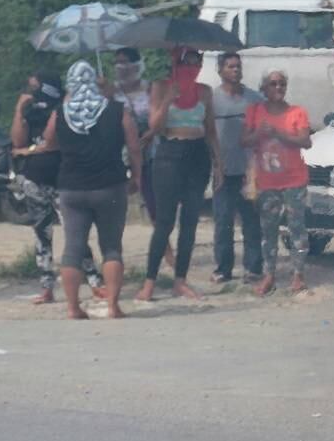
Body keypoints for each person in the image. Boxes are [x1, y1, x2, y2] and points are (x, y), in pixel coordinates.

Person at [40, 61, 141, 319]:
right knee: (111, 247)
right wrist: (136, 176)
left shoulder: (59, 113)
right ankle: (113, 306)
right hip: (110, 187)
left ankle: (73, 307)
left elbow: (48, 142)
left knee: (73, 247)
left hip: (71, 188)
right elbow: (134, 146)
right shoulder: (118, 111)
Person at [10, 71, 104, 304]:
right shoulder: (32, 111)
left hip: (63, 179)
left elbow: (51, 144)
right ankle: (47, 287)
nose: (30, 92)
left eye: (34, 87)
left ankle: (94, 281)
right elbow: (17, 142)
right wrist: (19, 111)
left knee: (75, 232)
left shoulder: (63, 108)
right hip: (34, 179)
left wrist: (28, 151)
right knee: (42, 235)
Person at [138, 47, 221, 302]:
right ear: (177, 62)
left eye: (197, 62)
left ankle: (181, 280)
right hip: (169, 153)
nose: (192, 67)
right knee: (164, 222)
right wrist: (167, 101)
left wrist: (220, 164)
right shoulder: (161, 87)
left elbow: (210, 130)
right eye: (188, 62)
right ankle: (149, 282)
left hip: (197, 154)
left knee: (190, 222)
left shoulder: (204, 91)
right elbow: (155, 127)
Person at [242, 70, 312, 295]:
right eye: (273, 84)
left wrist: (279, 134)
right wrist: (258, 135)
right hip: (267, 181)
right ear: (264, 88)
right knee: (268, 229)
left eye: (282, 84)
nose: (278, 88)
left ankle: (298, 274)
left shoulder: (297, 112)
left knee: (296, 228)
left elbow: (305, 141)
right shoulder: (255, 112)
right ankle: (269, 274)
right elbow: (243, 140)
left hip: (294, 179)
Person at [211, 52, 264, 284]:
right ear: (220, 70)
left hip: (249, 170)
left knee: (251, 222)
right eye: (231, 66)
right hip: (222, 170)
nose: (236, 70)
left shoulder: (254, 99)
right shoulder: (212, 100)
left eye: (238, 66)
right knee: (223, 222)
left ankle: (253, 268)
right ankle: (223, 269)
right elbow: (208, 135)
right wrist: (214, 166)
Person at [112, 48, 164, 267]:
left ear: (137, 65)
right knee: (115, 210)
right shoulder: (111, 92)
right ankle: (115, 258)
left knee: (155, 207)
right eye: (118, 63)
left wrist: (150, 133)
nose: (122, 68)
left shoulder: (149, 89)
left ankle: (166, 256)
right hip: (119, 154)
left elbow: (158, 119)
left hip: (150, 152)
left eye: (126, 63)